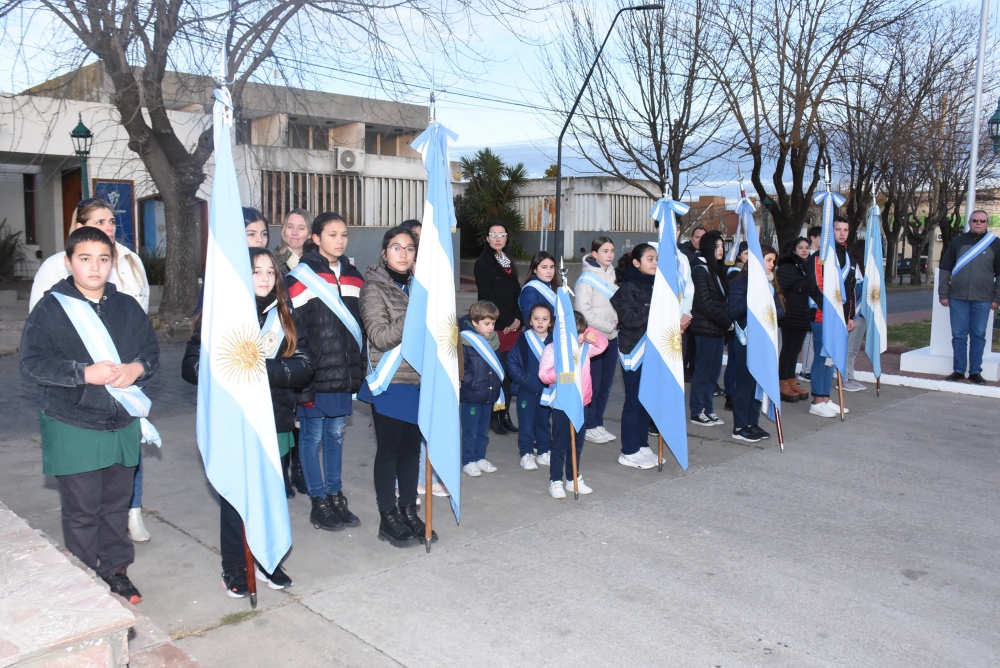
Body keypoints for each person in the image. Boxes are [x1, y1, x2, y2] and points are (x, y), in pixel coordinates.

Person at [20, 226, 159, 604]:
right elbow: (32, 364)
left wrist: (137, 369)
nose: (94, 267)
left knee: (115, 506)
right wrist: (83, 374)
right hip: (73, 423)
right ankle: (81, 581)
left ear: (112, 263)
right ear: (68, 263)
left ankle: (116, 570)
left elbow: (151, 352)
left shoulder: (126, 306)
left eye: (102, 259)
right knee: (82, 511)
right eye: (84, 259)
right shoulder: (51, 308)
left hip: (121, 422)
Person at [182, 248, 312, 597]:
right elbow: (190, 365)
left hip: (275, 421)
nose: (266, 277)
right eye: (257, 271)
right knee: (236, 497)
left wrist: (262, 369)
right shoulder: (221, 315)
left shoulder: (285, 315)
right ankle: (235, 568)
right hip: (233, 422)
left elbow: (305, 366)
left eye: (271, 271)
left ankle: (269, 561)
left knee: (271, 494)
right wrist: (225, 367)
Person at [283, 212, 365, 532]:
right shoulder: (300, 277)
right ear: (315, 238)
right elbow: (292, 331)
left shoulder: (354, 275)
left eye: (343, 234)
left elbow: (359, 325)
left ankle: (335, 495)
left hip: (342, 374)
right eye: (332, 235)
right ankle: (318, 501)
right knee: (313, 435)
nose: (340, 241)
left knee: (336, 434)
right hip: (315, 373)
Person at [359, 226, 435, 548]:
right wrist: (417, 305)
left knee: (411, 453)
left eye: (409, 248)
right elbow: (379, 337)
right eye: (396, 247)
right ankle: (387, 518)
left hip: (419, 382)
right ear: (384, 251)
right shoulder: (373, 288)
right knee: (389, 452)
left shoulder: (423, 287)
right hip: (391, 382)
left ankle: (408, 511)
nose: (403, 254)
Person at [538, 310, 607, 499]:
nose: (579, 338)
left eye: (581, 333)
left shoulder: (585, 346)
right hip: (562, 404)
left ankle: (573, 477)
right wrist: (561, 367)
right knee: (560, 444)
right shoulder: (552, 350)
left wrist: (592, 334)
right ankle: (555, 480)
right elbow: (544, 375)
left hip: (581, 403)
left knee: (576, 445)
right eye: (575, 334)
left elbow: (602, 345)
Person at [726, 245, 783, 442]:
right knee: (745, 384)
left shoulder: (769, 284)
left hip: (764, 341)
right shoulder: (741, 283)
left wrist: (770, 309)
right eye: (768, 260)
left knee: (758, 383)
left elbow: (780, 309)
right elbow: (733, 311)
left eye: (773, 261)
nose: (772, 265)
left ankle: (752, 423)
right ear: (757, 261)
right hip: (746, 341)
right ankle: (740, 426)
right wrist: (753, 297)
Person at [610, 244, 660, 469]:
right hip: (635, 349)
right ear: (636, 263)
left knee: (647, 400)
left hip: (653, 349)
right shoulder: (627, 287)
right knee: (634, 401)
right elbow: (630, 319)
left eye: (656, 259)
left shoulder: (657, 285)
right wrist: (656, 306)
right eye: (650, 259)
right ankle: (629, 451)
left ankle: (641, 445)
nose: (655, 263)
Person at [938, 210, 1000, 384]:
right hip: (958, 298)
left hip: (983, 298)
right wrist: (944, 294)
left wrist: (997, 298)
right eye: (975, 220)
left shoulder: (995, 244)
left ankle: (975, 371)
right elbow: (945, 268)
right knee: (958, 335)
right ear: (969, 222)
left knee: (978, 335)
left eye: (982, 220)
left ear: (987, 223)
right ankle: (958, 370)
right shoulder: (958, 242)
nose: (978, 223)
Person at [805, 217, 856, 417]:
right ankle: (817, 400)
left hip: (840, 318)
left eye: (845, 229)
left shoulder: (848, 257)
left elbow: (850, 288)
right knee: (821, 357)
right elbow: (814, 287)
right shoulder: (819, 257)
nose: (842, 233)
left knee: (831, 358)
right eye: (837, 229)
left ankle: (826, 397)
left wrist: (849, 315)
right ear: (830, 231)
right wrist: (830, 310)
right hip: (822, 315)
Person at [474, 222, 521, 435]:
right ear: (487, 238)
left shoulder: (508, 260)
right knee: (498, 374)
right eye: (493, 235)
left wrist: (518, 318)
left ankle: (506, 414)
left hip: (514, 327)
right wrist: (508, 320)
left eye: (502, 234)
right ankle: (496, 414)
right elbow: (488, 296)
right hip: (498, 326)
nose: (498, 239)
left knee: (510, 374)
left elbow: (516, 291)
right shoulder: (483, 263)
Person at [575, 237, 619, 444]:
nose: (609, 255)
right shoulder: (586, 280)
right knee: (593, 382)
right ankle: (589, 424)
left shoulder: (613, 274)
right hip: (595, 338)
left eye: (611, 251)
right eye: (604, 251)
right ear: (594, 254)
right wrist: (610, 325)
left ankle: (598, 422)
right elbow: (583, 312)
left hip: (613, 337)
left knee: (606, 384)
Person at [689, 230, 733, 426]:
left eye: (722, 246)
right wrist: (727, 321)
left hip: (717, 328)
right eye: (717, 246)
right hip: (706, 328)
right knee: (702, 372)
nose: (721, 250)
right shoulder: (700, 269)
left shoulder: (716, 269)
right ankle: (697, 411)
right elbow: (704, 303)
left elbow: (723, 299)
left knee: (714, 373)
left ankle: (709, 409)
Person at [459, 301, 504, 477]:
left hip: (488, 393)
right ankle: (469, 460)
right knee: (470, 430)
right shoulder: (465, 341)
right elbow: (462, 367)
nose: (491, 327)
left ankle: (480, 457)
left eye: (493, 323)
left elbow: (497, 365)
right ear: (475, 322)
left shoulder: (494, 341)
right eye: (487, 324)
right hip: (472, 394)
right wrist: (471, 383)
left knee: (483, 430)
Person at [507, 302, 554, 470]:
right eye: (536, 318)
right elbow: (512, 362)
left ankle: (543, 452)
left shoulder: (555, 341)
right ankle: (526, 453)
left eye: (544, 319)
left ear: (551, 322)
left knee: (543, 422)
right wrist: (524, 379)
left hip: (547, 391)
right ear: (530, 321)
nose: (540, 322)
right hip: (527, 390)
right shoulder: (523, 341)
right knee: (526, 423)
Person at [776, 237, 813, 402]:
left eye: (806, 247)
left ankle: (792, 381)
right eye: (800, 247)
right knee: (788, 350)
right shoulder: (787, 268)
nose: (804, 250)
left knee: (795, 351)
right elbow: (780, 291)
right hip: (790, 316)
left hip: (803, 315)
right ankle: (782, 382)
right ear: (794, 250)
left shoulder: (805, 267)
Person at [797, 225, 823, 384]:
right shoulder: (811, 259)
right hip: (810, 303)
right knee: (809, 337)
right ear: (813, 237)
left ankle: (810, 368)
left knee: (814, 338)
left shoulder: (822, 256)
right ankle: (806, 370)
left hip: (817, 303)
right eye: (820, 237)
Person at [843, 257, 868, 392]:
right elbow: (854, 291)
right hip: (854, 313)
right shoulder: (854, 268)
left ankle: (851, 376)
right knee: (848, 348)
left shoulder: (866, 271)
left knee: (855, 349)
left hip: (863, 313)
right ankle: (844, 378)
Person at [518, 251, 560, 322]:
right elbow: (530, 318)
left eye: (552, 267)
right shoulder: (530, 289)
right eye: (544, 267)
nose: (549, 271)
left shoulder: (555, 286)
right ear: (535, 269)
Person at [275, 208, 311, 274]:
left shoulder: (318, 261)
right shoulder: (273, 260)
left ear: (310, 234)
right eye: (290, 227)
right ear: (284, 230)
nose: (294, 233)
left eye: (301, 228)